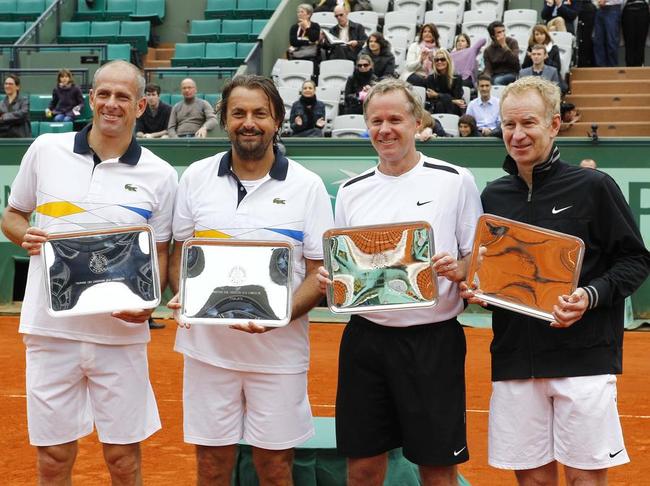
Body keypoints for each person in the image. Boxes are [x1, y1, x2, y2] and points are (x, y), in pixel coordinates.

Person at [461, 76, 650, 486]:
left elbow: (635, 259)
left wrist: (590, 294)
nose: (517, 134)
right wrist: (480, 291)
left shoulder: (594, 187)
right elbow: (498, 279)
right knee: (532, 481)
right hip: (515, 359)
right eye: (508, 125)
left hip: (583, 359)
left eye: (528, 123)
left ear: (553, 125)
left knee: (584, 479)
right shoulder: (493, 197)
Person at [0, 60, 178, 484]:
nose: (111, 104)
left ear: (140, 106)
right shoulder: (45, 149)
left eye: (123, 97)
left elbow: (162, 254)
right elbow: (12, 216)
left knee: (121, 458)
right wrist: (25, 236)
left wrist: (149, 301)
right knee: (53, 458)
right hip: (50, 330)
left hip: (119, 336)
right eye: (104, 94)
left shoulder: (162, 175)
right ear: (91, 98)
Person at [167, 74, 333, 485]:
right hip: (208, 353)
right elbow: (178, 256)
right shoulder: (196, 177)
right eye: (238, 113)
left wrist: (278, 315)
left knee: (275, 469)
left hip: (279, 356)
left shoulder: (308, 186)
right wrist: (184, 296)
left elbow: (319, 273)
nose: (249, 122)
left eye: (260, 113)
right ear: (224, 119)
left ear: (277, 120)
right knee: (211, 467)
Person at [319, 78, 482, 486]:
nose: (385, 129)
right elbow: (346, 266)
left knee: (438, 468)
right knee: (363, 467)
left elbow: (477, 257)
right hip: (366, 341)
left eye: (395, 119)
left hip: (433, 343)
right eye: (376, 120)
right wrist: (333, 278)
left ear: (417, 123)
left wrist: (460, 268)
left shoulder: (455, 179)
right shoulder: (352, 191)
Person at [424, 49, 465, 115]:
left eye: (442, 59)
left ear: (448, 61)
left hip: (453, 108)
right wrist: (452, 100)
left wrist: (437, 95)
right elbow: (432, 99)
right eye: (437, 60)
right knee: (439, 105)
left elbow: (458, 98)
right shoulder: (431, 78)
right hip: (436, 108)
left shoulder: (457, 78)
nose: (439, 62)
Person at [400, 23, 441, 88]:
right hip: (413, 74)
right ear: (421, 34)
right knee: (424, 81)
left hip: (429, 77)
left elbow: (440, 70)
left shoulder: (438, 50)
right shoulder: (414, 46)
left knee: (433, 80)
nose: (427, 34)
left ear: (434, 34)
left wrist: (432, 60)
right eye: (425, 32)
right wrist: (421, 60)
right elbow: (409, 67)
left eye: (430, 32)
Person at [483, 21, 520, 86]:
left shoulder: (512, 42)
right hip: (495, 75)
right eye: (499, 32)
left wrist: (504, 45)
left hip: (511, 73)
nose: (503, 34)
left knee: (497, 81)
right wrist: (485, 78)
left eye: (503, 31)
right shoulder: (488, 50)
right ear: (493, 36)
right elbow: (488, 68)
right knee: (483, 82)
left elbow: (515, 61)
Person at [593, 0, 623, 66]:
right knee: (598, 42)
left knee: (611, 42)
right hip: (599, 9)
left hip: (612, 8)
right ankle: (601, 70)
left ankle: (612, 71)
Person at [621, 0, 649, 66]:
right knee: (629, 42)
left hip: (643, 8)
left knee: (641, 42)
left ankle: (639, 67)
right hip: (628, 8)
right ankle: (629, 68)